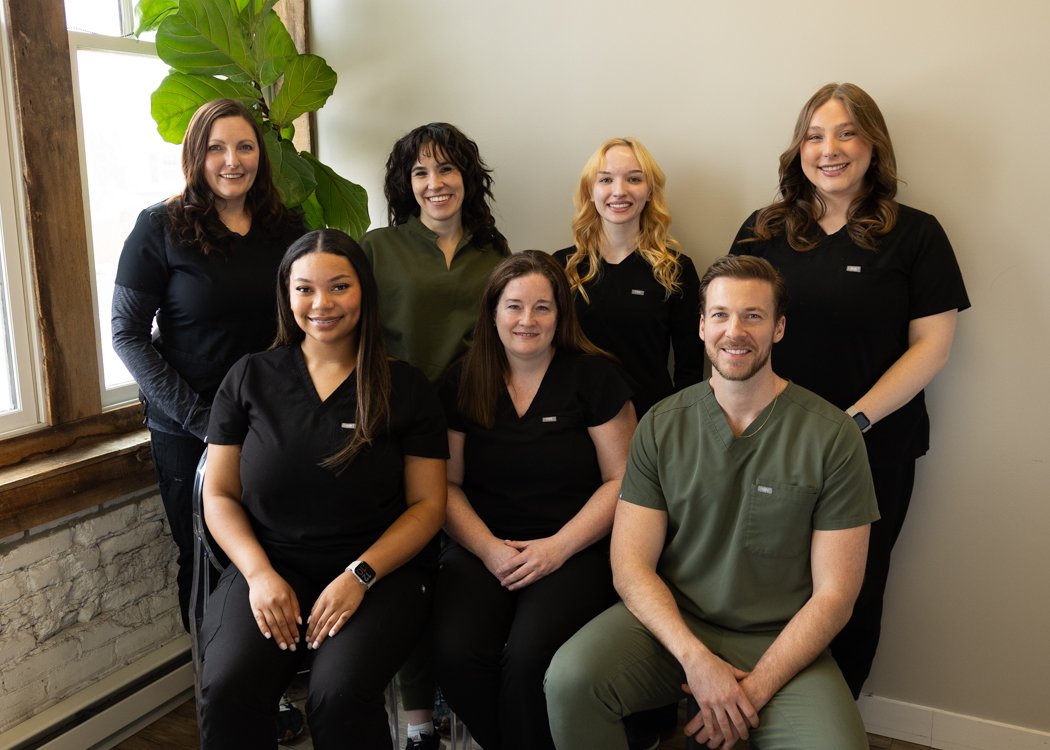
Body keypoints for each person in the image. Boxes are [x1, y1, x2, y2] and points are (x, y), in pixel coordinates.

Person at [545, 255, 880, 750]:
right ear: (701, 327)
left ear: (779, 328)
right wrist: (697, 663)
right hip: (673, 627)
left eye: (753, 315)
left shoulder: (833, 436)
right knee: (571, 680)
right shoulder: (660, 425)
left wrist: (754, 688)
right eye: (720, 315)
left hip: (779, 640)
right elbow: (630, 566)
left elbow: (836, 596)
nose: (735, 331)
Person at [729, 82, 970, 697]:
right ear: (798, 148)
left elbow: (932, 347)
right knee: (758, 585)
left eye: (846, 133)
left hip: (870, 451)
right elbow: (729, 330)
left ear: (873, 146)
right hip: (765, 443)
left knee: (850, 595)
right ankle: (747, 708)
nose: (829, 149)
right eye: (814, 135)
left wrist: (851, 422)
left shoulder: (917, 235)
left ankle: (825, 722)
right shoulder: (762, 231)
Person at [198, 229, 448, 748]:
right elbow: (219, 494)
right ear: (287, 297)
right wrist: (259, 574)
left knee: (338, 696)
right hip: (267, 567)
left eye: (339, 287)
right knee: (227, 689)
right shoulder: (249, 377)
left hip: (378, 575)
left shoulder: (406, 387)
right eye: (305, 289)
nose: (321, 304)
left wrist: (359, 575)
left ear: (364, 292)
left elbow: (428, 506)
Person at [111, 98, 303, 633]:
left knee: (273, 552)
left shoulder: (285, 228)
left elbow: (305, 321)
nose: (232, 160)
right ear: (195, 155)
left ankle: (274, 687)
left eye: (244, 146)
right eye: (216, 148)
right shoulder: (158, 227)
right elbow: (127, 335)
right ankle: (214, 694)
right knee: (203, 558)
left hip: (270, 422)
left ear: (260, 156)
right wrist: (201, 420)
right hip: (187, 426)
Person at [434, 251, 636, 750]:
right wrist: (488, 550)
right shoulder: (461, 380)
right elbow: (446, 485)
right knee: (454, 654)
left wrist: (556, 548)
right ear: (493, 312)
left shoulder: (594, 378)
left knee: (527, 659)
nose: (528, 320)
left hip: (574, 550)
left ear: (561, 314)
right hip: (482, 548)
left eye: (542, 307)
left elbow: (623, 481)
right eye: (514, 306)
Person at [359, 122, 511, 748]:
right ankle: (417, 719)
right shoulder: (377, 248)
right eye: (420, 172)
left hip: (471, 433)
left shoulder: (494, 255)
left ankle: (465, 708)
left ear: (466, 179)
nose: (434, 183)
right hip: (392, 429)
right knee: (405, 570)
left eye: (445, 169)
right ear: (406, 184)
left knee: (455, 571)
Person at [554, 137, 702, 419]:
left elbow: (690, 369)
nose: (619, 191)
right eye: (606, 180)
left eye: (634, 179)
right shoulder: (562, 267)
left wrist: (675, 422)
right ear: (590, 190)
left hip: (650, 420)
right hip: (573, 418)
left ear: (649, 192)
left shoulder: (676, 270)